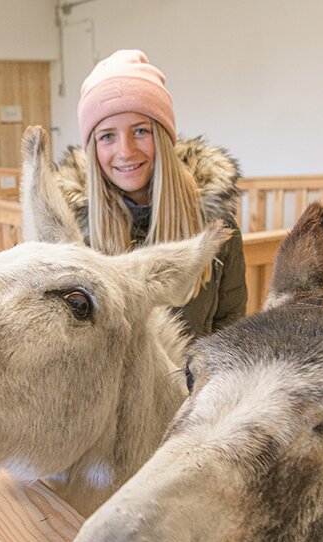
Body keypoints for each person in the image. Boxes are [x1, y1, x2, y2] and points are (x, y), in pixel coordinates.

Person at [55, 49, 247, 337]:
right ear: (93, 148)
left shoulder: (215, 225)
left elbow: (230, 321)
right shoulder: (72, 237)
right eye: (107, 136)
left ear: (163, 135)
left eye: (140, 131)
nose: (125, 151)